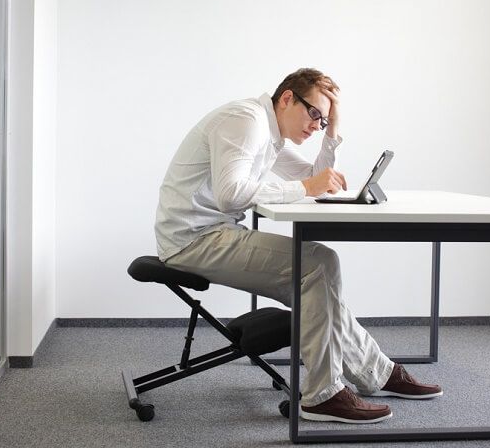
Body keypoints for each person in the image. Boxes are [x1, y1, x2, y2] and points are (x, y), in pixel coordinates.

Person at [154, 68, 442, 424]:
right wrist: (308, 187)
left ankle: (375, 371)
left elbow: (313, 179)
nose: (316, 125)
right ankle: (324, 394)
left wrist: (332, 136)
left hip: (211, 232)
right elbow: (231, 197)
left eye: (323, 120)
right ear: (287, 98)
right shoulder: (246, 122)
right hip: (193, 240)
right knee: (318, 264)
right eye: (315, 115)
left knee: (318, 276)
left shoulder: (269, 133)